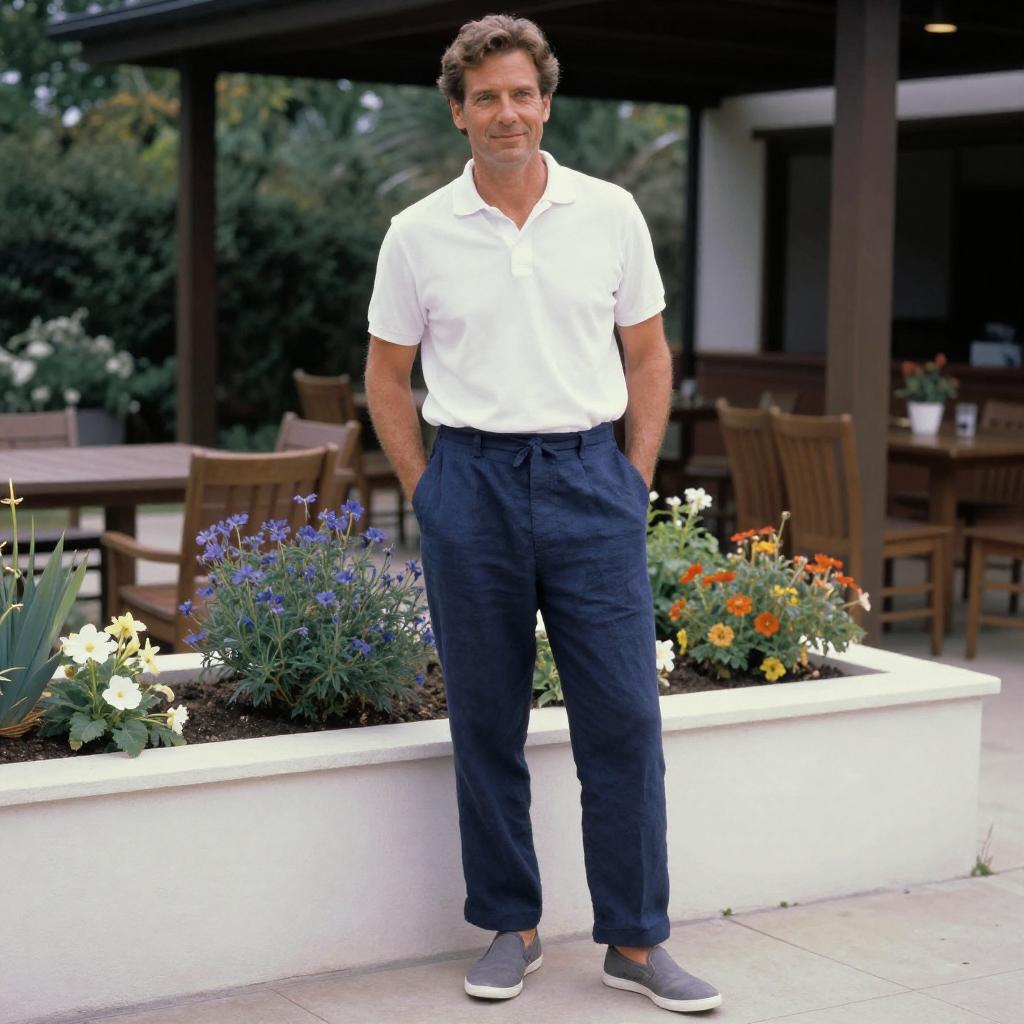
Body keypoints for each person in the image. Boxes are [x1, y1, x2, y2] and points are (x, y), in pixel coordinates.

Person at [364, 13, 722, 1015]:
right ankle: (509, 924)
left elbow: (648, 357)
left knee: (623, 717)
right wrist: (428, 487)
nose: (506, 112)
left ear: (546, 101)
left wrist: (631, 477)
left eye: (521, 93)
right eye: (486, 97)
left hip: (586, 481)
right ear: (458, 112)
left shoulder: (608, 213)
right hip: (469, 486)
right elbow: (386, 380)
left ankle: (637, 940)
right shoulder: (416, 233)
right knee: (485, 718)